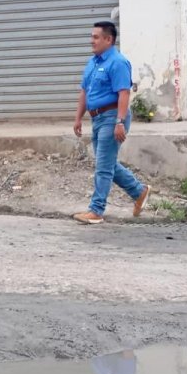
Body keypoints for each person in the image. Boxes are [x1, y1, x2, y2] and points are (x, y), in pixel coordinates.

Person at [72, 21, 150, 225]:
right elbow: (84, 91)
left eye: (96, 37)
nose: (92, 41)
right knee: (106, 164)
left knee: (103, 167)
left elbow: (123, 93)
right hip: (97, 118)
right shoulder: (93, 62)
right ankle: (139, 191)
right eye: (92, 36)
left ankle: (96, 210)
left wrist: (119, 122)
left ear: (109, 39)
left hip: (112, 116)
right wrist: (78, 117)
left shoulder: (118, 62)